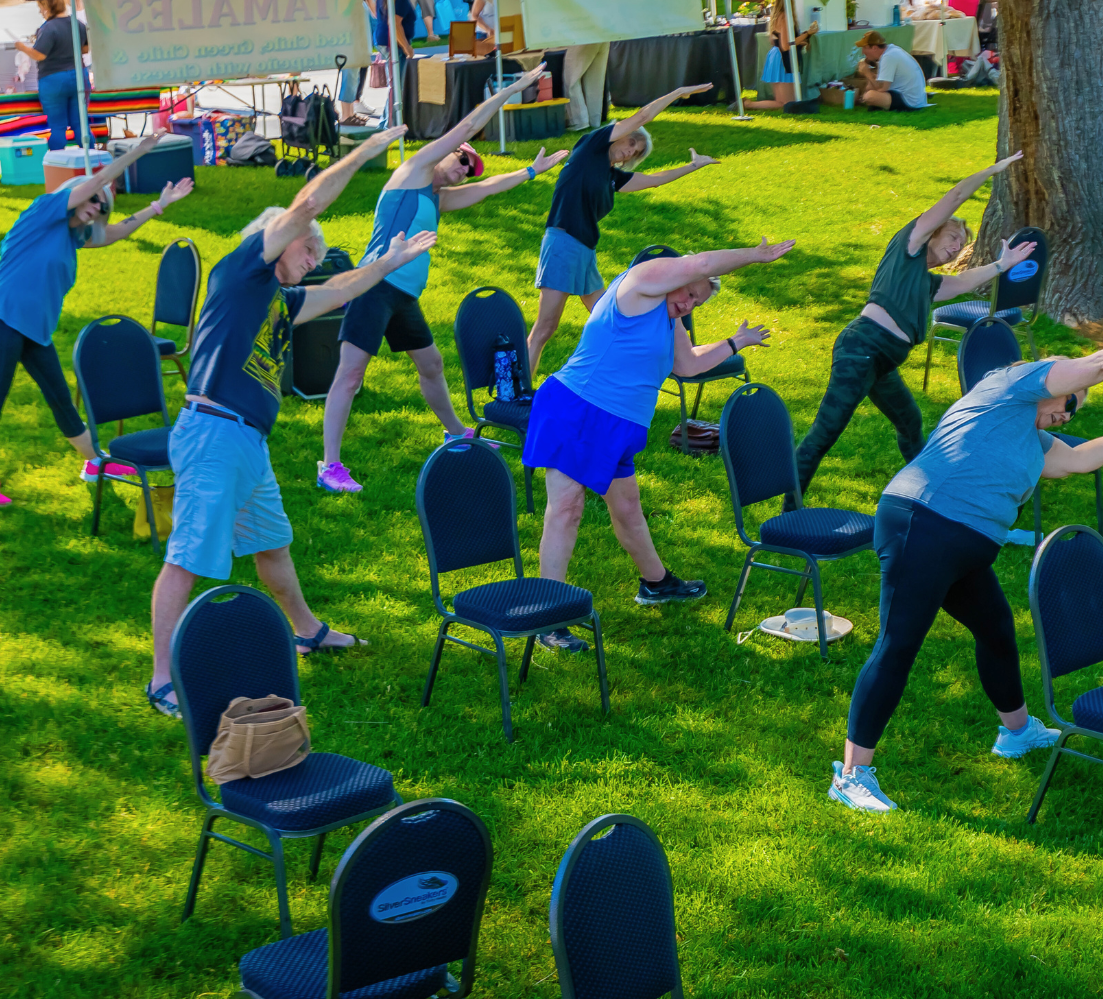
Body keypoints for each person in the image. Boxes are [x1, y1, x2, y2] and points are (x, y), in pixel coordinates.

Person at [830, 316, 1103, 813]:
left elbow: (1078, 461)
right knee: (899, 645)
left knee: (998, 630)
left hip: (963, 543)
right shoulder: (1009, 389)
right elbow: (1100, 364)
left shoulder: (1032, 440)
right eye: (1070, 402)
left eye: (1076, 412)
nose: (1070, 415)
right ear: (1051, 383)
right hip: (924, 523)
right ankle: (852, 774)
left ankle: (1017, 733)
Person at [145, 127, 422, 718]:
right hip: (215, 431)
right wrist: (365, 153)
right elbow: (308, 205)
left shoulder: (281, 301)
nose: (313, 261)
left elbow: (340, 290)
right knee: (188, 556)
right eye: (308, 251)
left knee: (272, 543)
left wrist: (389, 263)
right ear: (284, 241)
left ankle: (306, 629)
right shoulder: (244, 271)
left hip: (248, 441)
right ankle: (163, 678)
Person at [317, 67, 568, 494]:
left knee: (432, 365)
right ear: (447, 153)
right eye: (462, 159)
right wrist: (514, 88)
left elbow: (488, 188)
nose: (464, 170)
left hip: (402, 296)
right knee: (350, 375)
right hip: (375, 286)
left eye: (468, 168)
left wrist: (530, 171)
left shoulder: (437, 198)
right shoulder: (413, 171)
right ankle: (330, 466)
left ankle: (454, 431)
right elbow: (468, 125)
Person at [528, 240, 794, 642]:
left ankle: (657, 583)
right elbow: (702, 260)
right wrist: (754, 255)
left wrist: (736, 342)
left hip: (616, 422)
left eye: (697, 302)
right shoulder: (639, 284)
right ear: (673, 274)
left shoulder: (667, 317)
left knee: (628, 507)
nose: (689, 304)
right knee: (567, 508)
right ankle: (549, 616)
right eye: (689, 292)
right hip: (579, 409)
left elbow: (685, 366)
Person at [795, 153, 1029, 494]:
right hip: (862, 350)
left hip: (882, 362)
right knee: (827, 430)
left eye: (961, 244)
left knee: (910, 422)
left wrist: (1002, 265)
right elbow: (953, 199)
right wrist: (989, 172)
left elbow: (961, 283)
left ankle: (929, 492)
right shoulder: (909, 246)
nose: (956, 247)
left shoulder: (924, 281)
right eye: (952, 238)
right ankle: (790, 503)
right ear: (933, 232)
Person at [0, 136, 191, 506]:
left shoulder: (76, 237)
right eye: (92, 198)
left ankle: (95, 463)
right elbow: (93, 183)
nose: (96, 205)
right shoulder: (45, 212)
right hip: (4, 317)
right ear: (77, 194)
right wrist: (135, 154)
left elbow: (115, 233)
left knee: (62, 402)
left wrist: (157, 207)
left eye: (101, 205)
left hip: (34, 331)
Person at [528, 82, 718, 371]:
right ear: (620, 134)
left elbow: (653, 179)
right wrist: (677, 93)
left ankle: (613, 375)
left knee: (609, 320)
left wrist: (692, 167)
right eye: (632, 143)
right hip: (563, 243)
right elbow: (642, 116)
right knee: (546, 327)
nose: (631, 152)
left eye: (637, 151)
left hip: (584, 250)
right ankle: (518, 394)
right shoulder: (592, 146)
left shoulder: (611, 177)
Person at [14, 0, 88, 150]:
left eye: (40, 7)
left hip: (53, 80)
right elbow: (85, 50)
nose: (40, 12)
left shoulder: (48, 28)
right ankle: (93, 163)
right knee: (81, 124)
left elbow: (39, 55)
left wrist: (22, 47)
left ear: (47, 7)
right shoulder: (78, 24)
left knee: (58, 127)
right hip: (79, 77)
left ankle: (58, 167)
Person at [743, 0, 818, 112]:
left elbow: (777, 41)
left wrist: (801, 42)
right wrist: (807, 33)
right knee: (785, 103)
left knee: (784, 102)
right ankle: (749, 104)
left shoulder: (777, 15)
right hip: (783, 60)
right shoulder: (785, 16)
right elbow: (786, 45)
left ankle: (749, 104)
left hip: (776, 56)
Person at [853, 30, 927, 112]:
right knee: (870, 89)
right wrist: (871, 75)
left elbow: (882, 88)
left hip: (909, 102)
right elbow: (872, 86)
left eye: (865, 48)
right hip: (911, 98)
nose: (863, 52)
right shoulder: (890, 51)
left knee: (870, 96)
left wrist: (867, 73)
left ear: (874, 48)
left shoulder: (888, 57)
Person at [374, 0, 423, 66]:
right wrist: (406, 47)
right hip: (394, 45)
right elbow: (394, 23)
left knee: (393, 77)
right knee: (397, 79)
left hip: (384, 40)